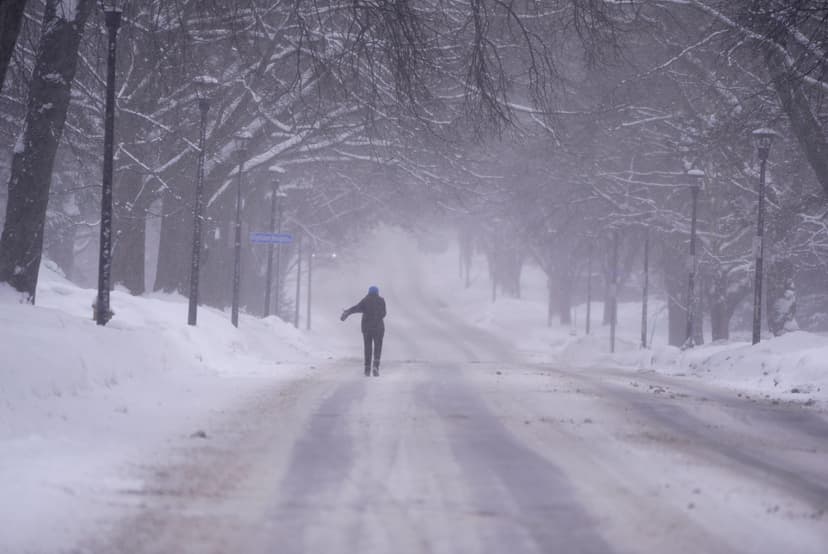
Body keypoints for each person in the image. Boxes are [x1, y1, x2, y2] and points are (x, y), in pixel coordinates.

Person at [340, 285, 386, 376]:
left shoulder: (365, 300)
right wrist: (376, 318)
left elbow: (356, 308)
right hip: (378, 328)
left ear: (369, 292)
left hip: (367, 328)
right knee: (378, 347)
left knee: (367, 348)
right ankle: (375, 366)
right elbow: (384, 313)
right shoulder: (381, 301)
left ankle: (367, 369)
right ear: (377, 292)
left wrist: (347, 312)